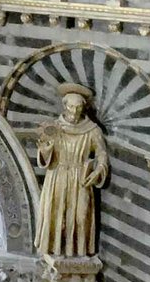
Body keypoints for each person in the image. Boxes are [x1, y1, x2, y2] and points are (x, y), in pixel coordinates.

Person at [34, 83, 109, 257]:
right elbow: (45, 154)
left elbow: (101, 153)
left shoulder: (92, 130)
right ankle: (55, 250)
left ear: (84, 107)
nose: (74, 112)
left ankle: (77, 250)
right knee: (55, 217)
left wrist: (98, 170)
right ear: (65, 106)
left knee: (81, 217)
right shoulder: (54, 128)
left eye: (78, 107)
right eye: (71, 107)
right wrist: (46, 148)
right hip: (57, 176)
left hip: (80, 178)